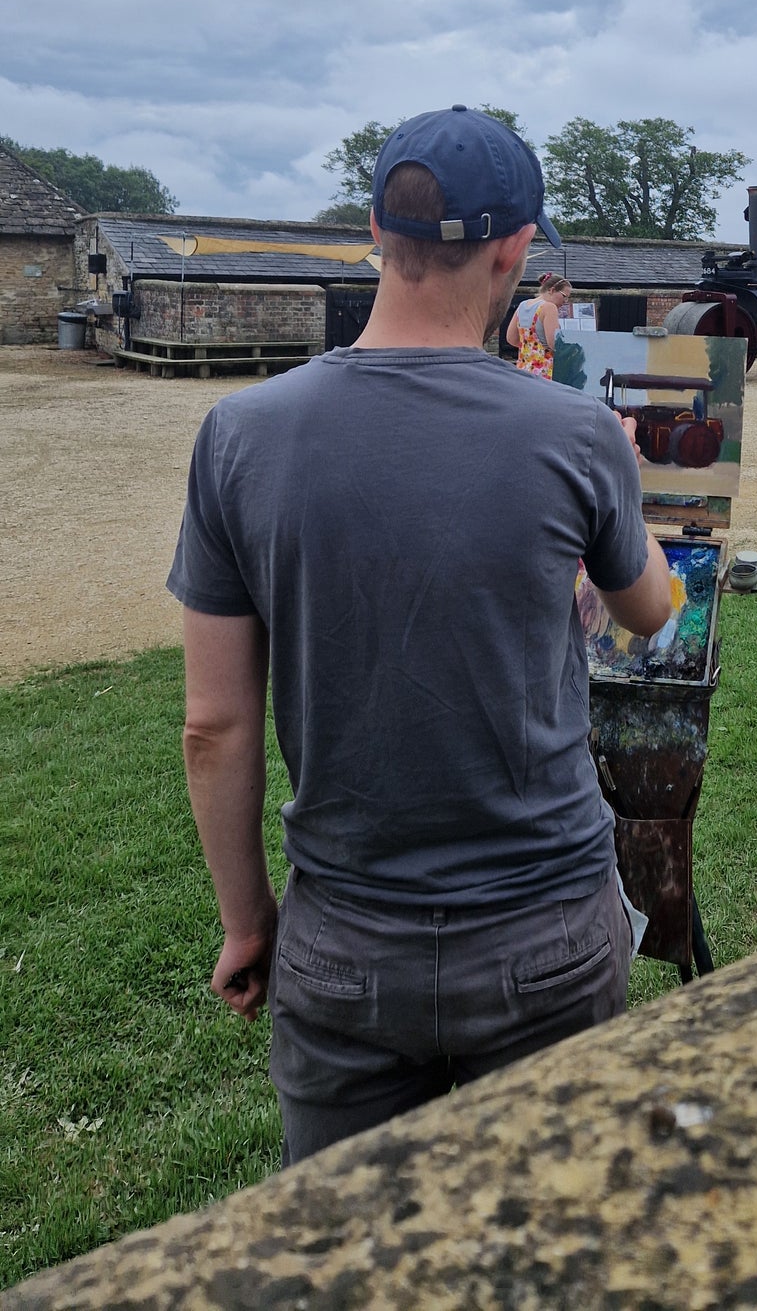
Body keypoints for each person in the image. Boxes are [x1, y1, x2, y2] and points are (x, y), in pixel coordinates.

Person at [170, 106, 674, 1165]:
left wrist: (248, 921)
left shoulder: (239, 435)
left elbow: (213, 725)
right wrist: (627, 488)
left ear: (375, 232)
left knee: (347, 1242)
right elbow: (648, 612)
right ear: (513, 249)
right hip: (543, 925)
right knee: (545, 1237)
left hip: (345, 940)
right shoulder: (577, 433)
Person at [506, 271, 572, 377]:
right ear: (552, 290)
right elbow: (554, 344)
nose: (565, 301)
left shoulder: (522, 305)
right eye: (564, 296)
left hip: (523, 369)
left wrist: (531, 348)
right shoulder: (549, 307)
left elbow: (511, 339)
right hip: (544, 371)